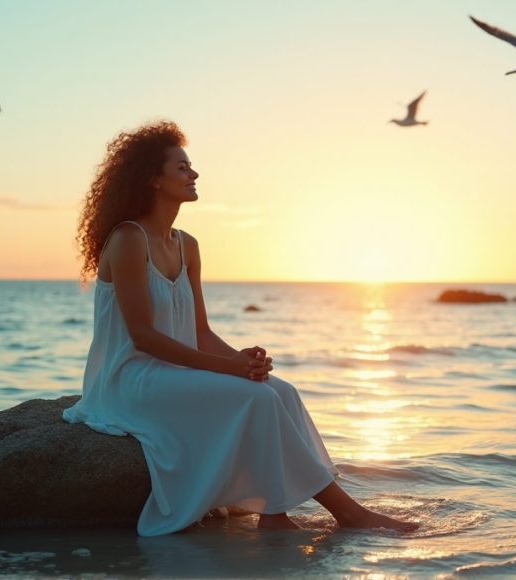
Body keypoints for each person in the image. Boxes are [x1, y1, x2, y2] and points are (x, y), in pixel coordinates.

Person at [63, 120, 418, 536]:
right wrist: (227, 368)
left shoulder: (187, 245)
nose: (193, 173)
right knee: (258, 399)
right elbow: (143, 337)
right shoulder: (128, 240)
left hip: (173, 374)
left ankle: (274, 514)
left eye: (190, 166)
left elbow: (200, 332)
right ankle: (350, 514)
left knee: (281, 391)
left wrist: (241, 361)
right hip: (130, 382)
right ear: (153, 179)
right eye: (182, 167)